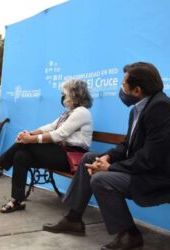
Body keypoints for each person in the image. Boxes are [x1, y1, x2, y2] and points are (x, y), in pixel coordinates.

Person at [43, 62, 170, 250]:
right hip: (142, 168)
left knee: (102, 179)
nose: (121, 88)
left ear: (137, 90)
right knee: (89, 159)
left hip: (156, 176)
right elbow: (127, 145)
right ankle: (74, 218)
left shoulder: (160, 108)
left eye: (124, 84)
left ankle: (130, 234)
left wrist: (110, 168)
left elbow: (150, 158)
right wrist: (108, 158)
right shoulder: (139, 108)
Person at [0, 79, 93, 213]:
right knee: (21, 156)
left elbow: (59, 134)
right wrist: (30, 133)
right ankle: (17, 200)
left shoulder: (82, 112)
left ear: (74, 94)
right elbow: (50, 127)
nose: (62, 96)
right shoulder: (69, 113)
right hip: (60, 153)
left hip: (70, 158)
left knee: (28, 145)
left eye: (64, 93)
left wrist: (30, 139)